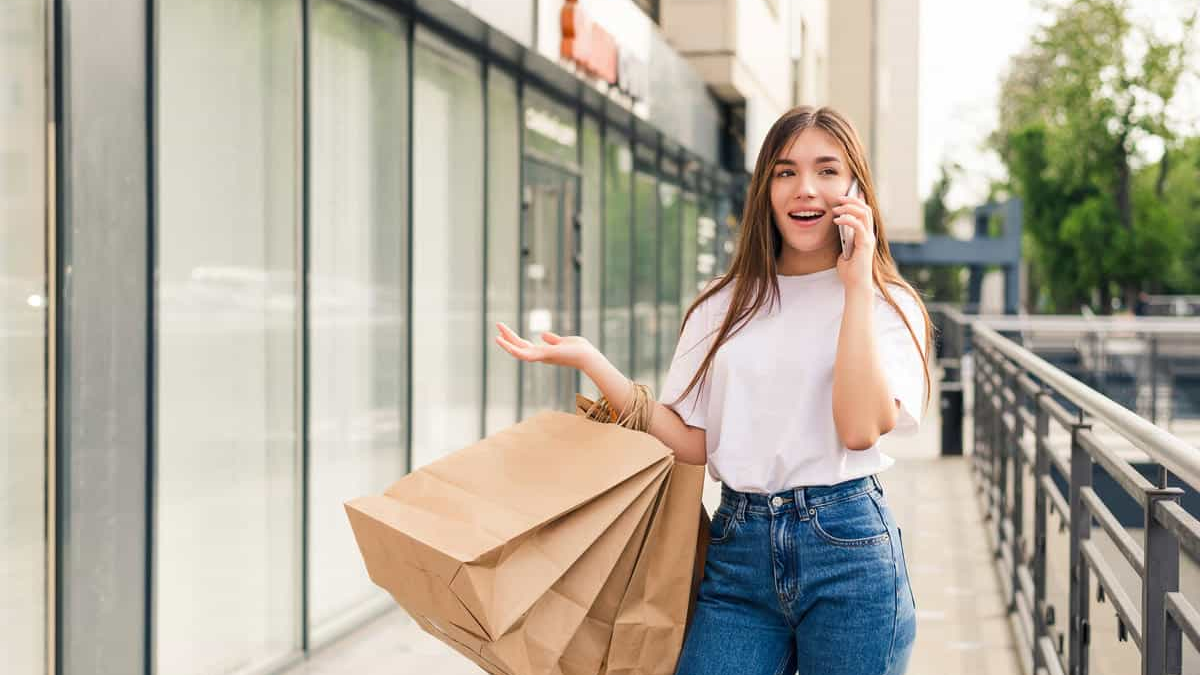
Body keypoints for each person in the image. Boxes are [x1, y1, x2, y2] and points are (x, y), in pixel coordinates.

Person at [493, 105, 931, 675]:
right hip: (738, 549)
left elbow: (858, 428)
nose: (806, 189)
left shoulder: (887, 304)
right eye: (785, 171)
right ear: (765, 189)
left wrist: (853, 287)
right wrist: (596, 365)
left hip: (849, 550)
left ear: (855, 187)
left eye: (827, 171)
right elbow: (695, 441)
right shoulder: (721, 304)